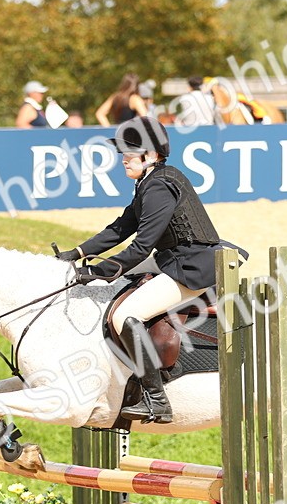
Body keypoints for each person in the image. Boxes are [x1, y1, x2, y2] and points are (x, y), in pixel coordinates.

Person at [55, 116, 236, 425]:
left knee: (126, 314)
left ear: (151, 155)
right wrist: (79, 252)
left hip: (190, 266)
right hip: (173, 258)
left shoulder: (160, 185)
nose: (123, 158)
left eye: (130, 152)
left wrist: (98, 271)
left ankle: (156, 400)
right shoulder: (149, 181)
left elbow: (141, 246)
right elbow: (120, 228)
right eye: (123, 151)